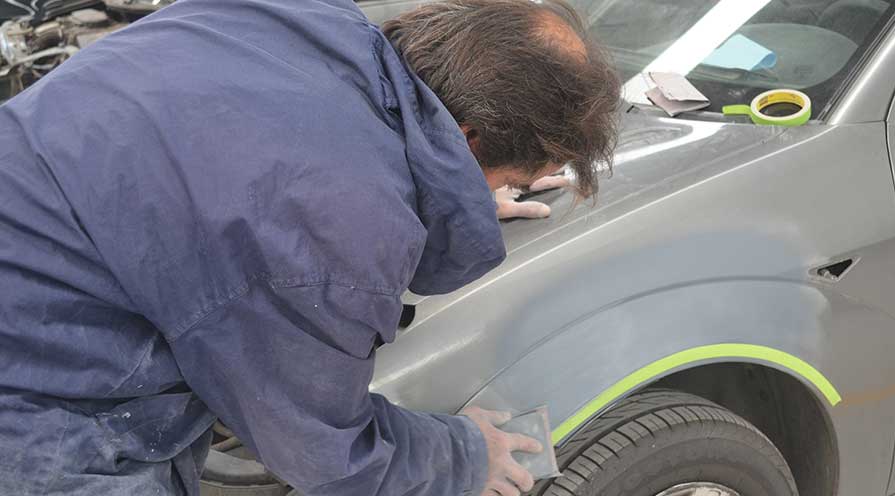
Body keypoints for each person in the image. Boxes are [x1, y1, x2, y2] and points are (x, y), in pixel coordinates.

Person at [0, 0, 619, 495]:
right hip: (36, 403)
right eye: (509, 177)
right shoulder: (335, 229)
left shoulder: (291, 15)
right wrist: (464, 456)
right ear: (469, 136)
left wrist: (458, 190)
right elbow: (324, 451)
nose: (500, 193)